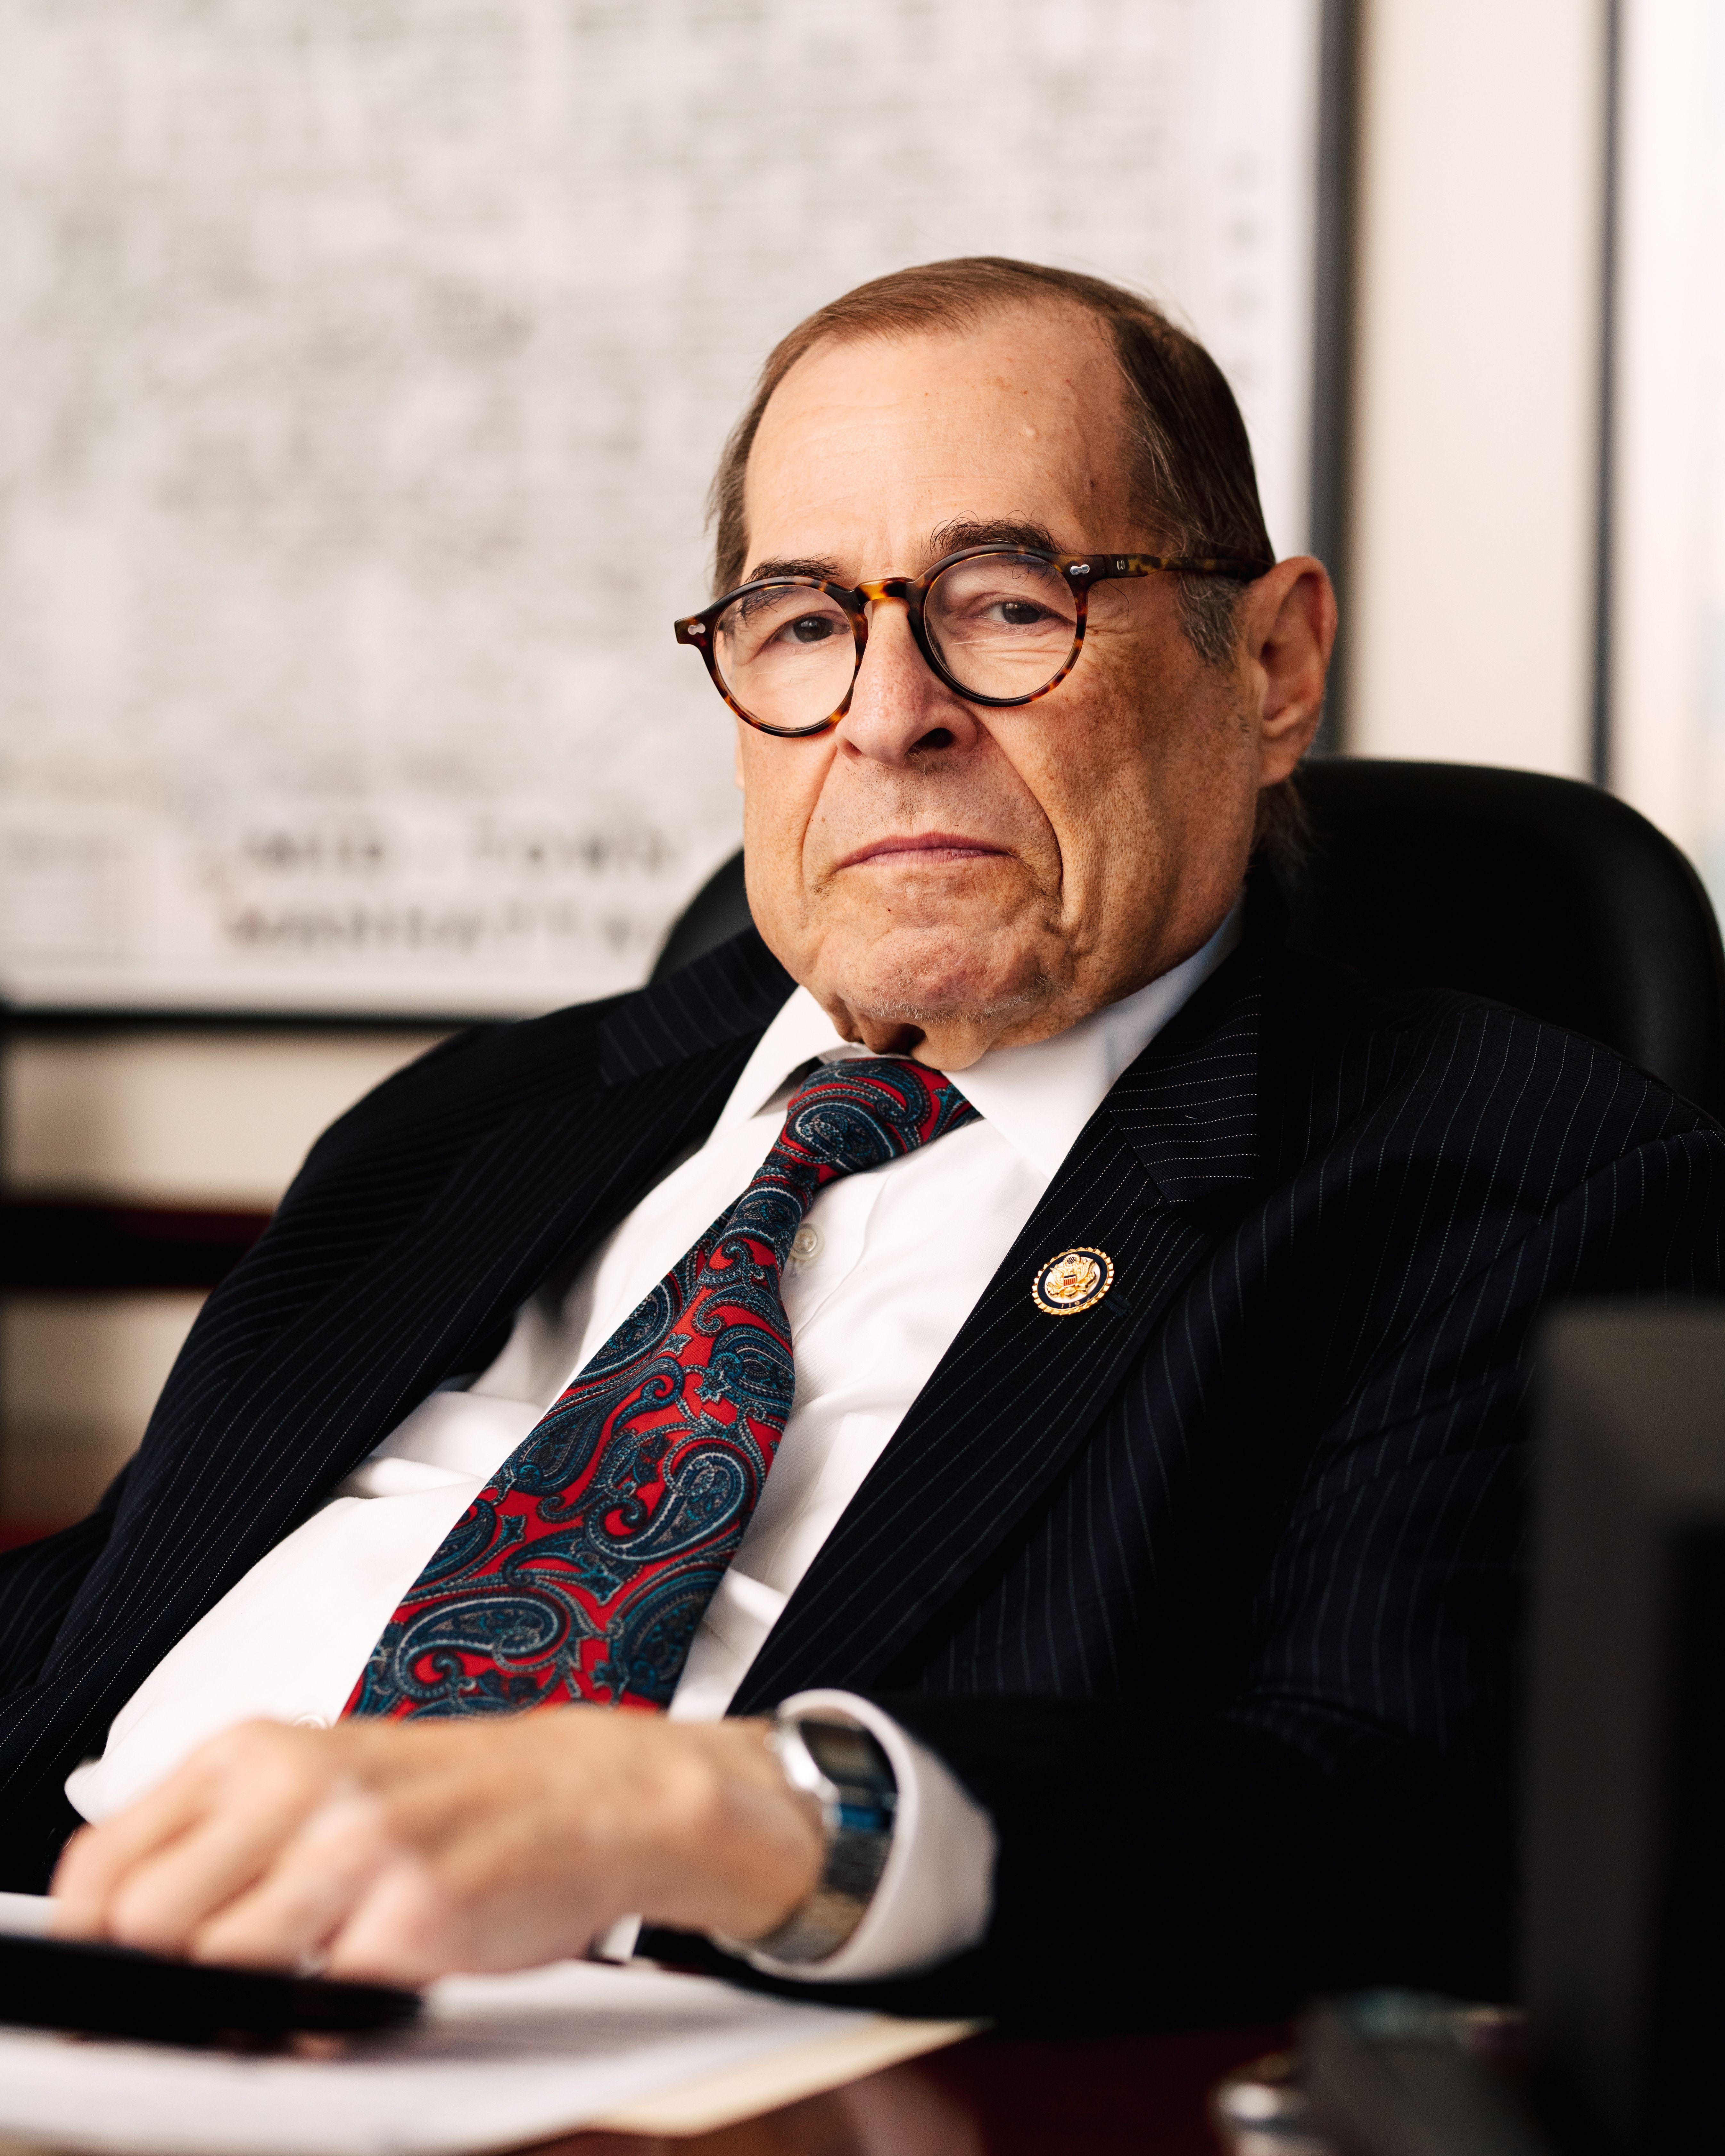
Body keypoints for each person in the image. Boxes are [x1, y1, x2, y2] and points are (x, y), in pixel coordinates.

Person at [5, 257, 1720, 2030]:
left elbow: (1389, 1827)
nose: (889, 715)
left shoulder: (1517, 1190)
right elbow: (77, 1630)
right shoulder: (474, 1124)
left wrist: (687, 1810)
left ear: (1271, 666)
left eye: (1003, 601)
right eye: (807, 622)